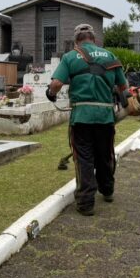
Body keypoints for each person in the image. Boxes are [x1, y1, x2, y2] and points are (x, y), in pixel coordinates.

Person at [46, 24, 127, 216]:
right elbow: (123, 88)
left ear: (76, 41)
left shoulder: (70, 57)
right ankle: (107, 191)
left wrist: (51, 93)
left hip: (81, 117)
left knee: (84, 158)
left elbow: (56, 83)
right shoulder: (110, 56)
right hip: (106, 117)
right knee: (105, 155)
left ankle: (85, 203)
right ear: (94, 39)